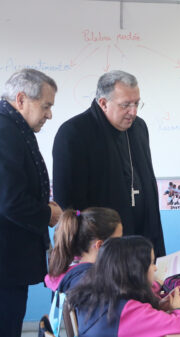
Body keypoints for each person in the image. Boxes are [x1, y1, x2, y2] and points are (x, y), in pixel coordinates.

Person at [52, 70, 166, 256]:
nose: (133, 112)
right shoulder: (73, 133)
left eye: (137, 103)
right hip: (99, 246)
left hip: (141, 237)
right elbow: (68, 203)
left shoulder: (139, 128)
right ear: (103, 103)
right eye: (125, 105)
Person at [0, 68, 63, 337]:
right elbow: (10, 201)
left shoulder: (15, 128)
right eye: (46, 105)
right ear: (22, 99)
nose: (49, 114)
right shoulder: (5, 130)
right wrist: (46, 213)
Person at [68, 236, 180, 336]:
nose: (155, 268)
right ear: (135, 271)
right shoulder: (128, 310)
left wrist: (159, 305)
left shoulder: (100, 295)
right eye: (151, 263)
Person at [45, 207, 123, 292]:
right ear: (100, 245)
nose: (122, 245)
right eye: (118, 240)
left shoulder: (73, 273)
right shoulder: (94, 283)